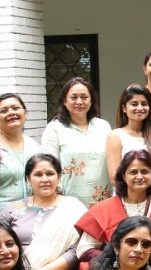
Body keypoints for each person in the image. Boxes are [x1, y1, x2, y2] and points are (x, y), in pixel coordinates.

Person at [0, 154, 87, 270]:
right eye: (38, 174)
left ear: (59, 177)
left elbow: (78, 249)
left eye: (50, 174)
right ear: (28, 179)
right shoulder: (12, 210)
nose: (44, 179)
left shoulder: (74, 208)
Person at [76, 150, 151, 267]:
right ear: (123, 177)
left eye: (145, 172)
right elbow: (84, 250)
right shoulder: (104, 209)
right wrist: (119, 262)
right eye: (133, 172)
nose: (139, 176)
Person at [40, 77, 112, 207]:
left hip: (103, 203)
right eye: (73, 97)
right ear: (64, 101)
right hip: (68, 204)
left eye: (84, 97)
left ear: (91, 101)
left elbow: (113, 162)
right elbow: (49, 166)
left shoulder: (103, 126)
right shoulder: (54, 128)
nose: (79, 102)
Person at [105, 84, 151, 186]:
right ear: (124, 108)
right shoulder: (116, 136)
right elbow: (114, 177)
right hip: (126, 199)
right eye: (134, 104)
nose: (140, 108)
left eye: (144, 104)